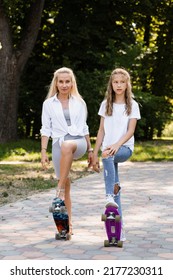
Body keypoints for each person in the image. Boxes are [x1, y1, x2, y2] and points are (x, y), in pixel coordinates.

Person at [40, 67, 93, 235]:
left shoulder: (80, 102)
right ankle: (67, 227)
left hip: (78, 142)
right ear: (56, 83)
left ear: (72, 83)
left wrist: (91, 150)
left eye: (67, 81)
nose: (64, 85)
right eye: (61, 81)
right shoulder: (48, 104)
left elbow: (84, 127)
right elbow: (46, 129)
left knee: (67, 146)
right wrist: (43, 152)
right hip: (58, 143)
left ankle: (58, 189)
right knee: (67, 184)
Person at [92, 68, 141, 241]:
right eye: (115, 82)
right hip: (107, 151)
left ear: (127, 84)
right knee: (115, 185)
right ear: (111, 84)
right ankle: (120, 229)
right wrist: (95, 153)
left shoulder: (132, 105)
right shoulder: (106, 104)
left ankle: (108, 196)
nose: (119, 85)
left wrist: (116, 145)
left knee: (108, 157)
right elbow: (101, 131)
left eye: (122, 81)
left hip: (124, 148)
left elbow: (130, 131)